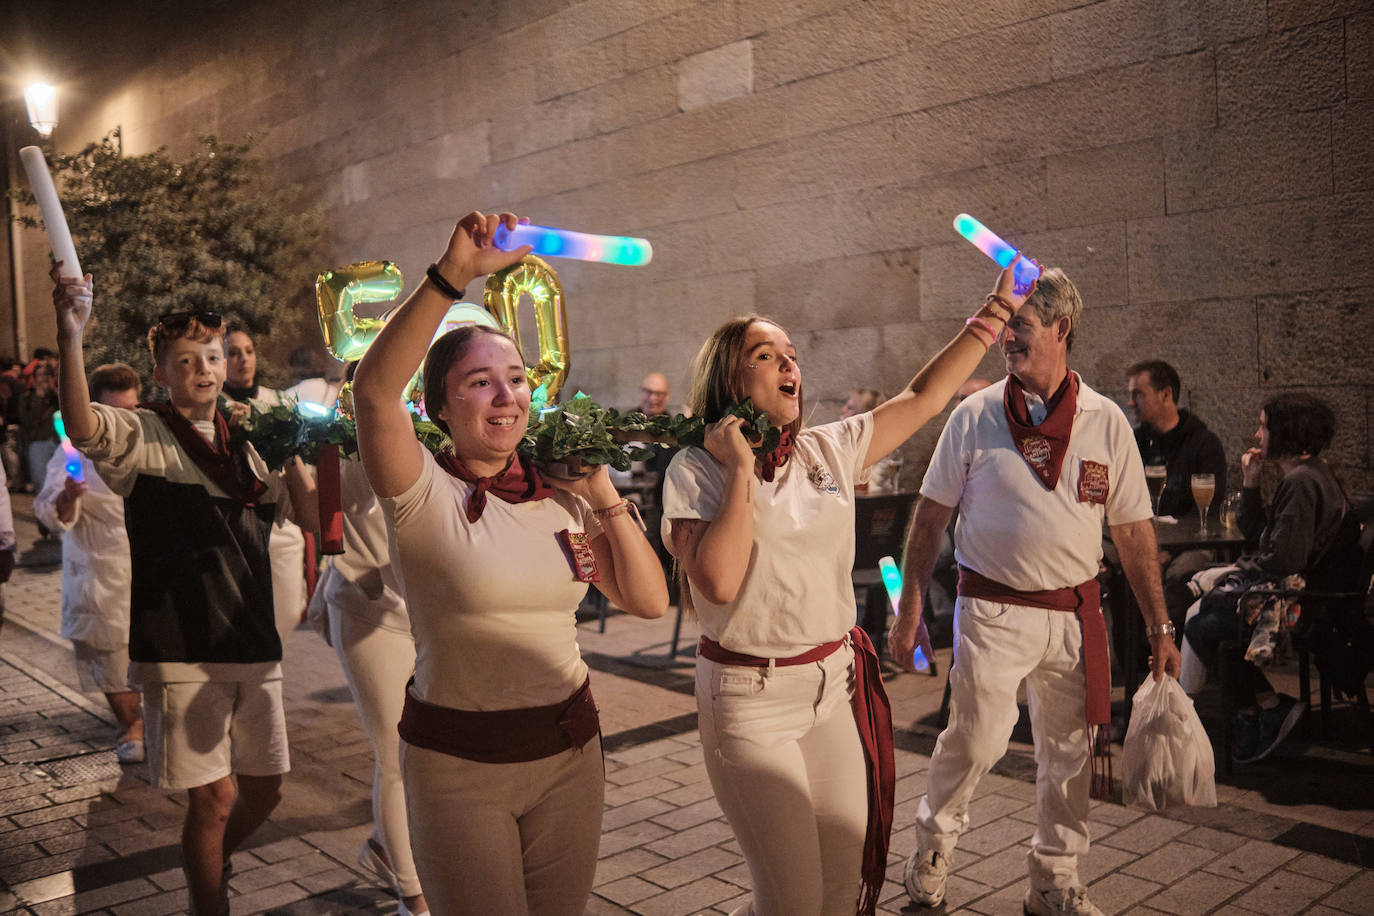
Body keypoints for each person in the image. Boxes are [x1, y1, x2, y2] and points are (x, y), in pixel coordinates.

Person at [661, 260, 1037, 916]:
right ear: (730, 377)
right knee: (793, 902)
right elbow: (717, 581)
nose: (789, 365)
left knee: (839, 892)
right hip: (749, 702)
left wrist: (994, 314)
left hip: (830, 687)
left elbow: (920, 399)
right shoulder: (697, 470)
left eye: (792, 354)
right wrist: (742, 471)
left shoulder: (825, 450)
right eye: (766, 354)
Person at [351, 210, 668, 915]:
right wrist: (452, 274)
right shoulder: (420, 492)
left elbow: (649, 602)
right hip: (457, 770)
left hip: (570, 756)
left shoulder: (559, 493)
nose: (507, 396)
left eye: (518, 379)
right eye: (480, 383)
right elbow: (373, 392)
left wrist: (601, 491)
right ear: (438, 406)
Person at [890, 268, 1181, 916]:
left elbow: (1132, 531)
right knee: (976, 739)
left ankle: (1053, 878)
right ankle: (931, 849)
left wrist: (1161, 628)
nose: (1006, 340)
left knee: (1072, 752)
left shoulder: (1106, 422)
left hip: (1075, 618)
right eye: (1003, 329)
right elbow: (932, 517)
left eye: (1018, 325)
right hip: (992, 611)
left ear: (1061, 328)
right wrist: (910, 604)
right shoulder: (975, 415)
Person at [51, 264, 319, 915]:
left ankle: (212, 858)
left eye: (214, 354)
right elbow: (81, 425)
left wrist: (299, 453)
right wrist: (70, 335)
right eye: (186, 359)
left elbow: (311, 520)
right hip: (178, 647)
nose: (205, 367)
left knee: (267, 789)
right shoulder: (143, 433)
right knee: (214, 796)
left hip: (252, 639)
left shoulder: (253, 436)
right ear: (162, 373)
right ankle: (210, 903)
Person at [1182, 393, 1360, 764]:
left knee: (1206, 622)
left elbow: (1284, 559)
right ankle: (1258, 708)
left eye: (1263, 425)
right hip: (1309, 595)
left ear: (1284, 432)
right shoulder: (1310, 475)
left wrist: (1237, 570)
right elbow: (1261, 535)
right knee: (1205, 610)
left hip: (1302, 606)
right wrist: (1250, 482)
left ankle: (1246, 711)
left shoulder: (1301, 482)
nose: (1258, 433)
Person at [310, 450, 428, 915]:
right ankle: (413, 898)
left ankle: (386, 845)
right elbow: (324, 511)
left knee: (428, 753)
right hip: (372, 602)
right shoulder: (348, 422)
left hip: (431, 603)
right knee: (398, 753)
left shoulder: (448, 414)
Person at [34, 362, 145, 764]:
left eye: (132, 410)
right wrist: (67, 499)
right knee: (110, 656)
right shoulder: (74, 453)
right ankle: (130, 725)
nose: (125, 420)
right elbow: (47, 507)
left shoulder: (151, 442)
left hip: (151, 572)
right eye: (115, 412)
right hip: (102, 571)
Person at [221, 326, 309, 647]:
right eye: (233, 352)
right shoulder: (214, 408)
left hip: (281, 532)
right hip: (236, 536)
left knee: (283, 621)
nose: (243, 359)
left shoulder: (279, 401)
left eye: (248, 351)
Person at [1126, 360, 1229, 627]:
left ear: (1166, 395)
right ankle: (1130, 663)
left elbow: (1209, 512)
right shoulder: (1135, 441)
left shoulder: (1202, 443)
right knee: (1111, 565)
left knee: (1180, 573)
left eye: (1138, 394)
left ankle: (1175, 657)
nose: (1130, 402)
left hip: (1191, 542)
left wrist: (1168, 551)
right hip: (1146, 537)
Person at [842, 388, 900, 495]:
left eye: (850, 408)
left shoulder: (881, 450)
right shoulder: (842, 445)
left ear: (863, 417)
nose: (843, 410)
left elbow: (875, 489)